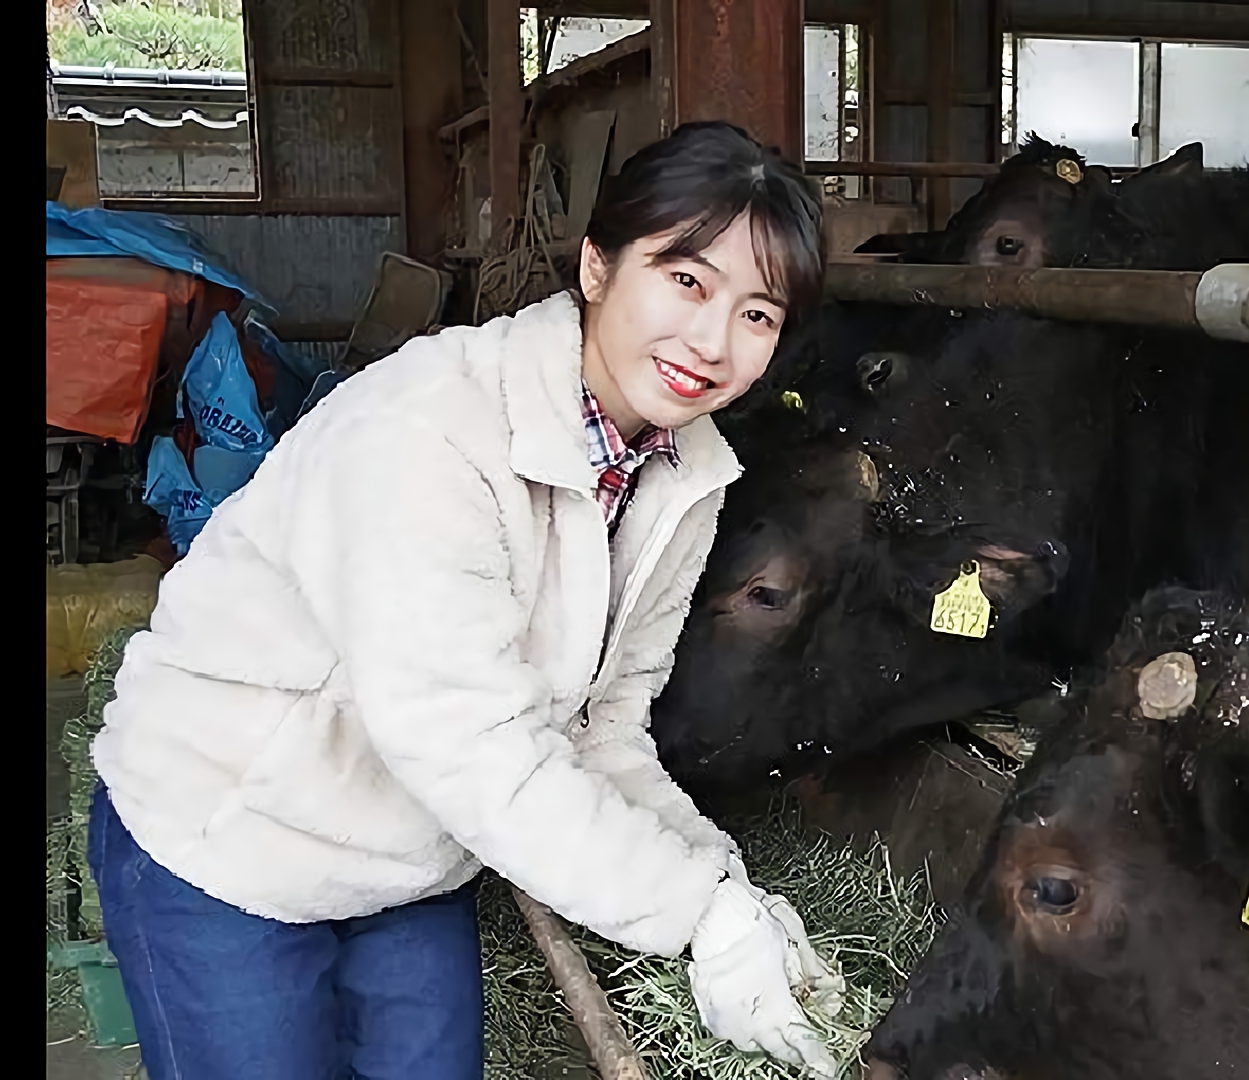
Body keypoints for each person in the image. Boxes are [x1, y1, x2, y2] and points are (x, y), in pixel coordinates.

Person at [86, 121, 839, 1079]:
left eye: (758, 315)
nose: (711, 340)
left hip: (411, 847)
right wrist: (692, 914)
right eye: (686, 280)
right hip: (228, 839)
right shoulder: (428, 429)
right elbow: (464, 739)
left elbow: (604, 728)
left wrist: (729, 893)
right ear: (598, 267)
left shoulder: (684, 473)